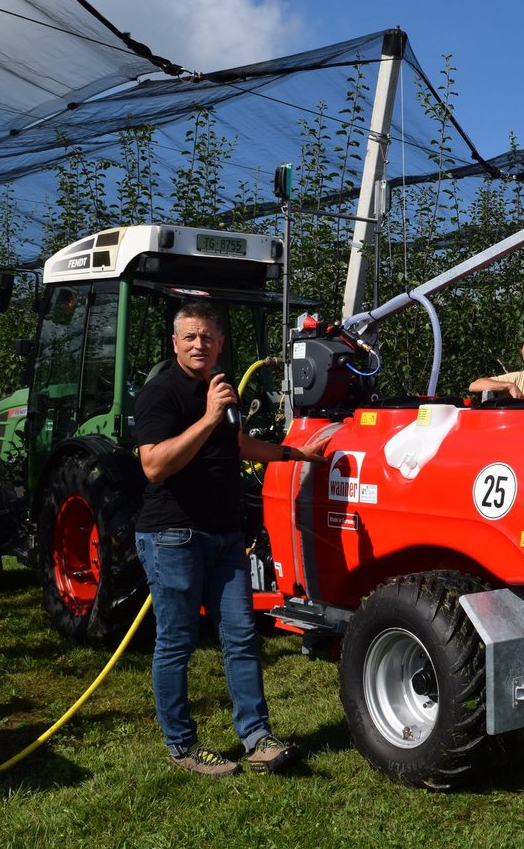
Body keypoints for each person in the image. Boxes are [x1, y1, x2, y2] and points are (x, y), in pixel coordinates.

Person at [134, 301, 327, 776]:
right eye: (190, 337)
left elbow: (235, 445)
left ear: (220, 343)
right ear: (176, 343)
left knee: (241, 637)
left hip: (224, 535)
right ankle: (182, 747)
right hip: (173, 535)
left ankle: (257, 736)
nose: (199, 345)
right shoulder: (162, 394)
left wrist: (293, 452)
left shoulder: (220, 389)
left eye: (208, 337)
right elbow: (154, 464)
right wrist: (208, 415)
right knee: (177, 641)